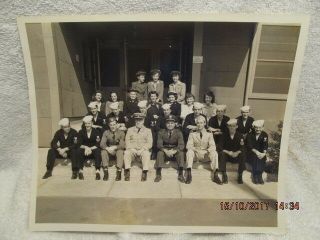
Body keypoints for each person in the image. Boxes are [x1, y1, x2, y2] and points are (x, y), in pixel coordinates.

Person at [185, 115, 222, 184]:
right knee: (189, 152)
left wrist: (207, 151)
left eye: (201, 123)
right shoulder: (192, 134)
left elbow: (213, 146)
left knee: (214, 152)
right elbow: (188, 146)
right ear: (196, 124)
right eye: (198, 123)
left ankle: (216, 175)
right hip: (196, 155)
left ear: (205, 123)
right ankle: (189, 174)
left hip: (205, 155)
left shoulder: (209, 134)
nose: (199, 125)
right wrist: (196, 150)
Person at [155, 115, 185, 183]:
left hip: (174, 151)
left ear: (175, 124)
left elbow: (181, 145)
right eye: (168, 123)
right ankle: (158, 174)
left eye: (172, 123)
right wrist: (166, 151)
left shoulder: (179, 132)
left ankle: (180, 174)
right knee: (159, 153)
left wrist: (174, 151)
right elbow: (159, 144)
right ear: (165, 124)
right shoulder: (161, 132)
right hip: (165, 151)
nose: (170, 125)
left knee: (181, 153)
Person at [124, 113, 153, 181]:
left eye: (140, 120)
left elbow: (150, 143)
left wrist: (142, 149)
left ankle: (145, 171)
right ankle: (127, 171)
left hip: (142, 151)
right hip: (132, 151)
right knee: (126, 153)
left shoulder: (148, 131)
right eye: (137, 120)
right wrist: (132, 149)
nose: (138, 122)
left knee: (146, 153)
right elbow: (127, 142)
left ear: (143, 121)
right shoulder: (130, 130)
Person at [218, 119, 246, 184]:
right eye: (230, 126)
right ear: (228, 127)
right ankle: (224, 174)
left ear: (236, 126)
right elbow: (220, 147)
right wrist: (228, 152)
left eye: (233, 126)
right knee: (222, 153)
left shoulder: (240, 136)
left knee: (243, 154)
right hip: (227, 156)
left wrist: (237, 152)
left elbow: (242, 147)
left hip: (236, 156)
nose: (232, 128)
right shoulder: (224, 135)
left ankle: (240, 175)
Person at [77, 115, 102, 180]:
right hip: (85, 151)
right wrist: (86, 147)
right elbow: (79, 143)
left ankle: (97, 171)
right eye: (86, 123)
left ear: (92, 124)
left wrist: (90, 148)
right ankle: (80, 171)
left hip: (93, 150)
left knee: (98, 151)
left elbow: (98, 144)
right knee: (79, 150)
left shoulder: (96, 132)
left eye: (89, 123)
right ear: (84, 124)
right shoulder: (81, 132)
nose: (87, 125)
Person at [247, 120, 268, 184]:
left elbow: (265, 145)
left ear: (263, 127)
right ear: (254, 127)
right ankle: (255, 175)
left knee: (262, 158)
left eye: (260, 127)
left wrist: (264, 153)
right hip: (251, 152)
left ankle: (260, 175)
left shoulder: (264, 134)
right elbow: (249, 146)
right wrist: (256, 152)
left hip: (260, 153)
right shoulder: (250, 135)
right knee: (256, 157)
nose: (258, 129)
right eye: (256, 127)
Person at [145, 91, 163, 159]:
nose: (153, 97)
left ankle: (157, 153)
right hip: (150, 125)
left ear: (156, 97)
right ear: (150, 97)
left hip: (158, 125)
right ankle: (152, 153)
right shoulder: (147, 105)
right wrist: (152, 117)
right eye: (151, 96)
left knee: (157, 139)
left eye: (154, 96)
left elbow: (162, 115)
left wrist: (158, 117)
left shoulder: (159, 105)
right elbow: (145, 116)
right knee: (151, 138)